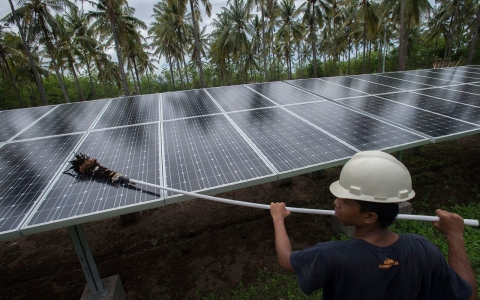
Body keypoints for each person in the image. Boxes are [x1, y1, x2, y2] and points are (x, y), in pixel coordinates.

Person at [270, 150, 478, 300]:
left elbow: (286, 261)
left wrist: (278, 219)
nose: (336, 202)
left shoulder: (331, 255)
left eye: (345, 201)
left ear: (370, 217)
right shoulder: (424, 249)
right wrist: (455, 235)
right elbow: (468, 294)